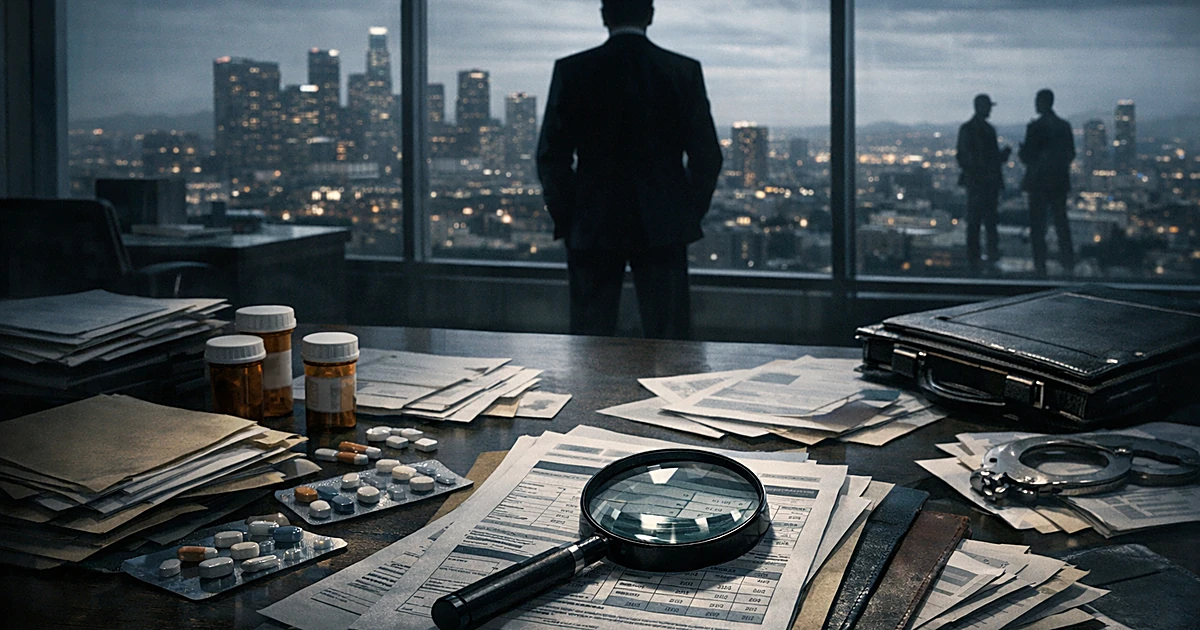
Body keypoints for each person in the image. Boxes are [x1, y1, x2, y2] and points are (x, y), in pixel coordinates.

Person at [537, 0, 722, 339]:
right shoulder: (682, 71)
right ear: (650, 15)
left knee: (591, 339)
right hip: (663, 221)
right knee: (669, 342)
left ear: (605, 16)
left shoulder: (573, 70)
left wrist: (570, 217)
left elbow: (552, 156)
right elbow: (707, 156)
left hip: (593, 221)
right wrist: (685, 213)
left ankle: (592, 395)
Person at [1018, 89, 1076, 276]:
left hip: (1039, 182)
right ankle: (1068, 262)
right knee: (1061, 222)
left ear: (1044, 102)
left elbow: (1028, 156)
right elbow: (1070, 153)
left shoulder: (1035, 127)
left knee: (1038, 225)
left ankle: (1040, 265)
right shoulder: (1064, 126)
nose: (1035, 104)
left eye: (1037, 100)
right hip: (1059, 181)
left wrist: (1023, 153)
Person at [956, 94, 1011, 274]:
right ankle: (980, 258)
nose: (989, 110)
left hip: (980, 183)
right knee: (980, 221)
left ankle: (979, 259)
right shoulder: (978, 130)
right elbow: (966, 157)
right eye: (988, 107)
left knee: (983, 221)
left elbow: (965, 157)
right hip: (981, 183)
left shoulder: (974, 129)